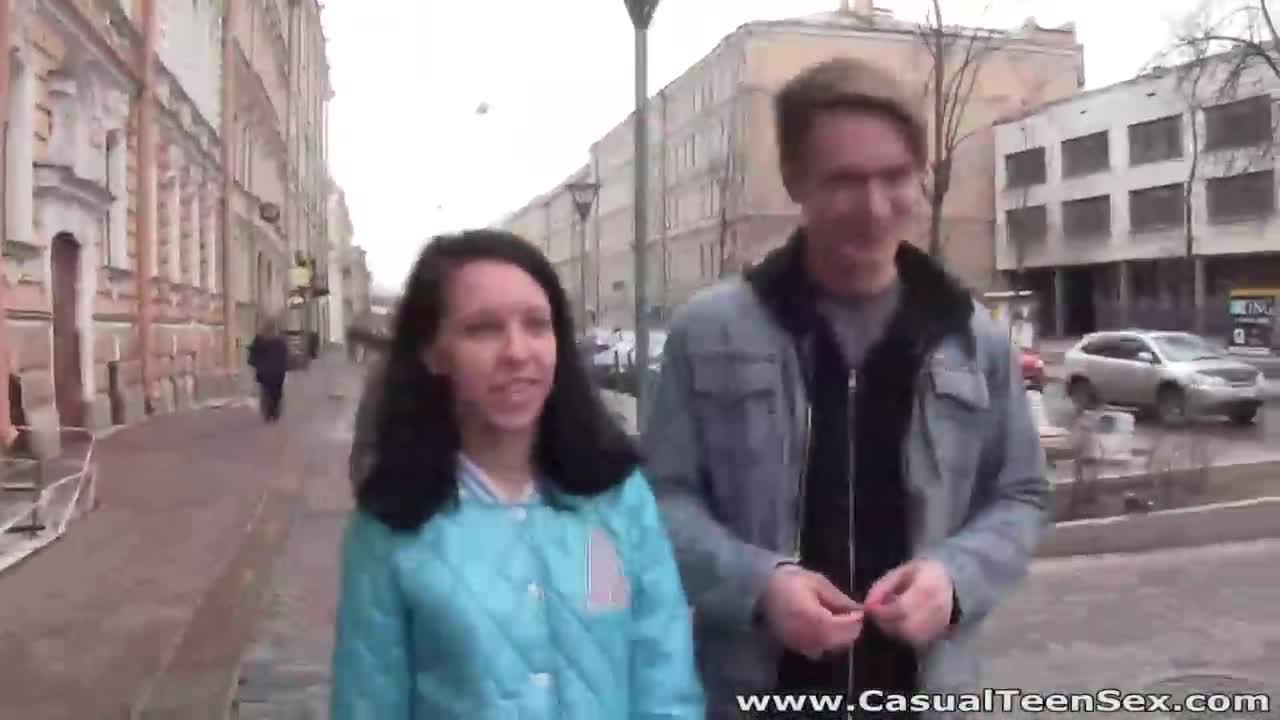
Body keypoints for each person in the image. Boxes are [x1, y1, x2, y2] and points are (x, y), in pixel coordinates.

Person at [643, 57, 1049, 718]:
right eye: (845, 181)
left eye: (895, 177)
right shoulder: (708, 332)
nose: (875, 207)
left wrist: (955, 579)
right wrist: (758, 585)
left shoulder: (973, 338)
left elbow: (1020, 495)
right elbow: (661, 500)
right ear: (794, 179)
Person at [332, 229, 703, 719]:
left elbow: (664, 675)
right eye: (484, 329)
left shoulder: (615, 496)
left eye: (536, 325)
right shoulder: (393, 523)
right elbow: (368, 703)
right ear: (433, 352)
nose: (517, 351)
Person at [247, 315, 289, 422]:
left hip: (264, 372)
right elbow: (285, 356)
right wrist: (285, 367)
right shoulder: (280, 341)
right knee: (276, 393)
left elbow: (253, 356)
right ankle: (274, 412)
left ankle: (268, 413)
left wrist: (255, 365)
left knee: (266, 392)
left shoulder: (259, 340)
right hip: (278, 373)